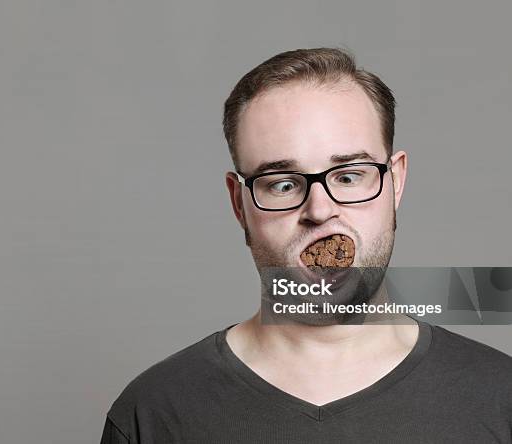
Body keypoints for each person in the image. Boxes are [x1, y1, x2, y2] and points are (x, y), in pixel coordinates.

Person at [101, 48, 512, 443]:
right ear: (239, 204)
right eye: (282, 183)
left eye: (349, 176)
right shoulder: (153, 412)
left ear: (395, 182)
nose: (320, 209)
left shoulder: (500, 398)